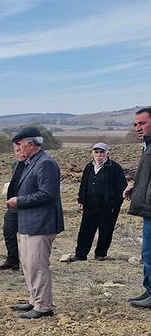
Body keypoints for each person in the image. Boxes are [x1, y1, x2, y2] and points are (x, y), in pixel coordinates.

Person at [7, 126, 64, 319]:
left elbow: (46, 194)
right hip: (29, 222)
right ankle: (35, 300)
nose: (17, 149)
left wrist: (19, 201)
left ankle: (43, 306)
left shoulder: (45, 163)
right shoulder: (31, 162)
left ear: (31, 144)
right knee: (29, 265)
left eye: (19, 144)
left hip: (41, 223)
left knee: (37, 265)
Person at [64, 142, 127, 262]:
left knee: (105, 230)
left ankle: (100, 254)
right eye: (96, 152)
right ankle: (81, 254)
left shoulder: (114, 167)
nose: (99, 155)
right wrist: (81, 199)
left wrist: (115, 203)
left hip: (108, 207)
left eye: (102, 152)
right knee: (85, 230)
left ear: (107, 153)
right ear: (92, 153)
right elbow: (83, 185)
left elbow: (122, 187)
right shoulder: (88, 167)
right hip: (90, 205)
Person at [124, 107, 151, 309]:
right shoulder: (147, 146)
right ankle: (149, 291)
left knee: (150, 253)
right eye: (135, 124)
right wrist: (137, 188)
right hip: (147, 209)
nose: (137, 128)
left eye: (142, 123)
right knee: (147, 253)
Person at [0, 158, 25, 270]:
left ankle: (30, 265)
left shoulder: (34, 165)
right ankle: (12, 260)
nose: (17, 151)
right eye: (16, 149)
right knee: (8, 232)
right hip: (13, 207)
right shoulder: (16, 164)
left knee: (28, 237)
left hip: (28, 206)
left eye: (19, 148)